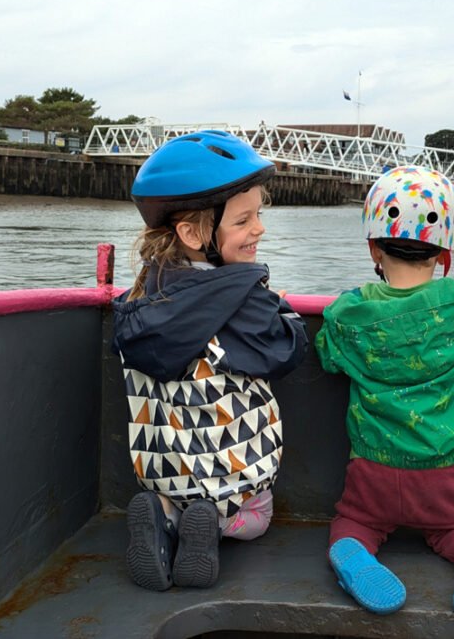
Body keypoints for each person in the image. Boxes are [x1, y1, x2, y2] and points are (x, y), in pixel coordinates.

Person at [315, 166, 454, 617]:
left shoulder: (348, 314)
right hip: (443, 469)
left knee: (353, 525)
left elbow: (328, 356)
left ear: (373, 246)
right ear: (445, 252)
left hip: (372, 468)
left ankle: (352, 553)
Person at [111, 130, 309, 592]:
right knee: (259, 516)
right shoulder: (243, 298)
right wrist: (281, 308)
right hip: (232, 477)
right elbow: (287, 350)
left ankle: (163, 516)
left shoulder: (139, 295)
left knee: (170, 493)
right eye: (243, 221)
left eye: (258, 215)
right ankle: (218, 525)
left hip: (163, 472)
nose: (258, 228)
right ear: (194, 233)